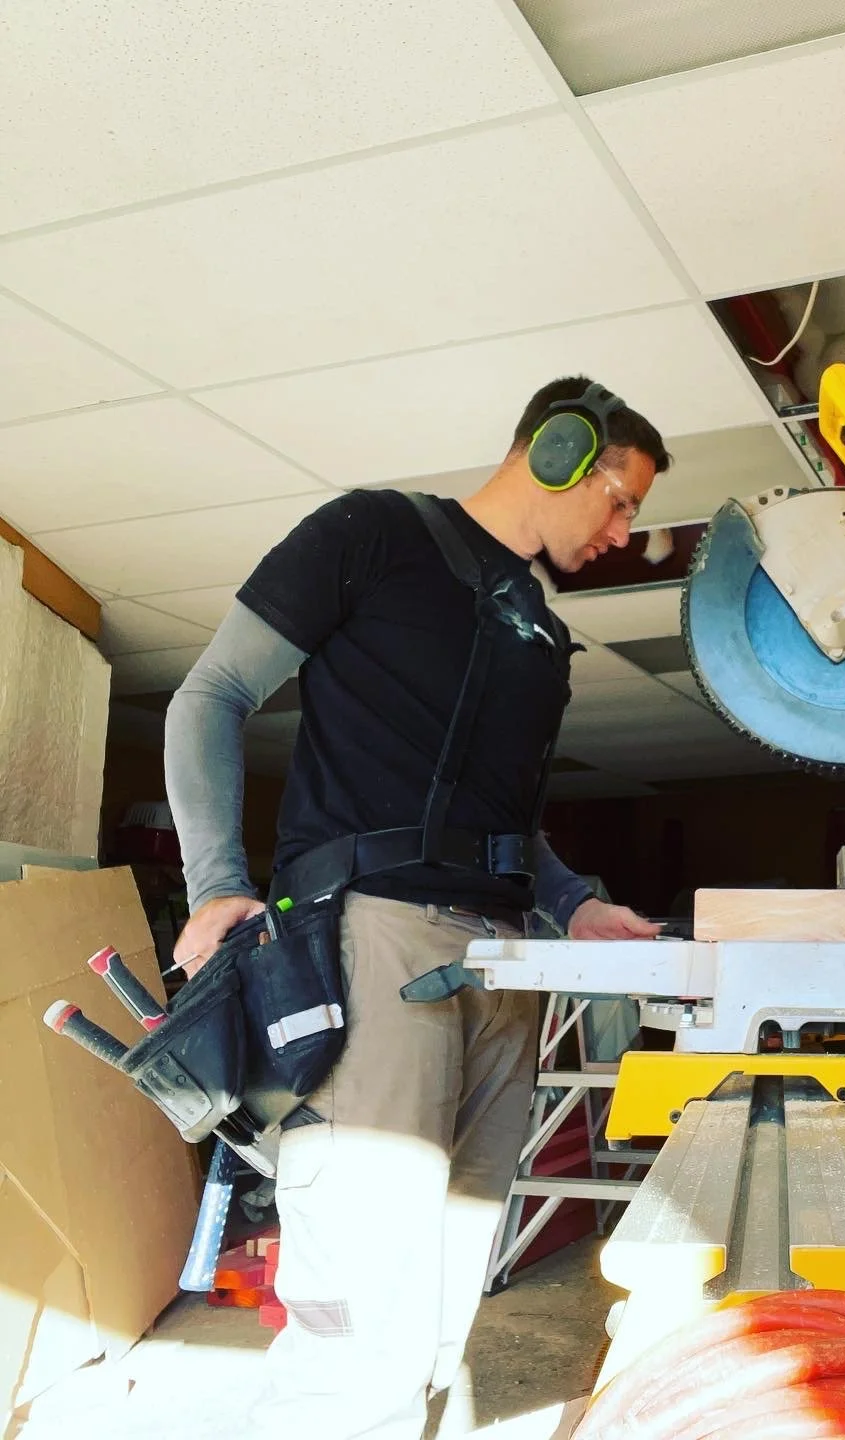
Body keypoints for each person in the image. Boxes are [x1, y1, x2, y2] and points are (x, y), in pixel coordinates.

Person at [164, 377, 669, 1439]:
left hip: (503, 970)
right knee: (361, 1326)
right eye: (620, 499)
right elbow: (208, 697)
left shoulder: (535, 626)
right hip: (377, 940)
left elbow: (506, 817)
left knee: (445, 1303)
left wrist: (573, 905)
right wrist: (217, 885)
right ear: (562, 451)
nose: (627, 530)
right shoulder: (374, 535)